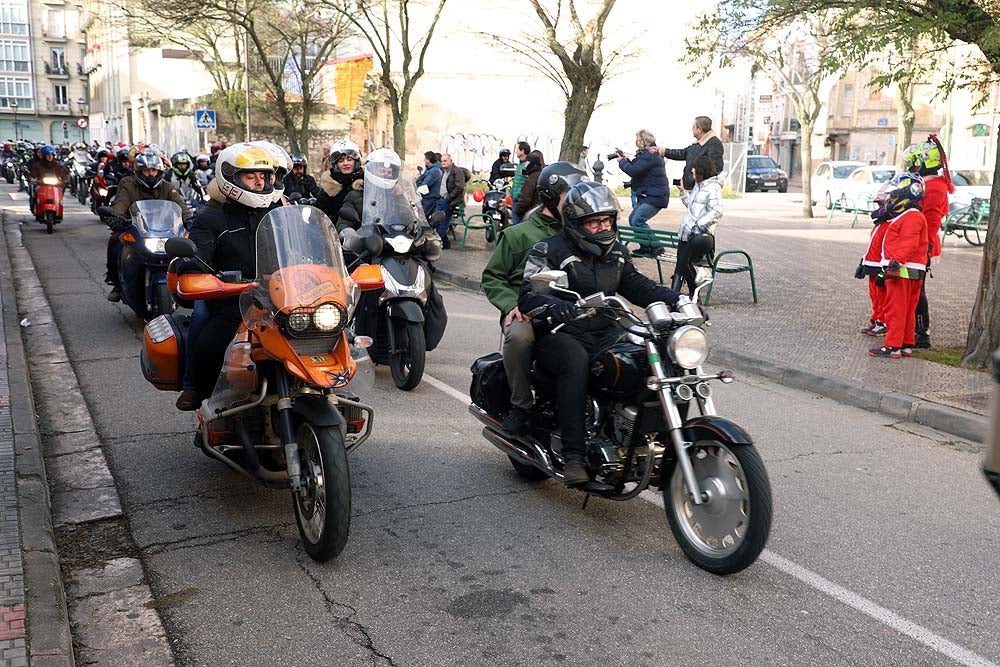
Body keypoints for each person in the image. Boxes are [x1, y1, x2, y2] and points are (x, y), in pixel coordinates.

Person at [518, 182, 681, 484]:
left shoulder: (616, 252)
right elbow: (528, 293)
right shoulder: (550, 249)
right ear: (576, 224)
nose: (602, 227)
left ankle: (655, 443)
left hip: (605, 328)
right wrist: (555, 305)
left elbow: (636, 285)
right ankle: (574, 456)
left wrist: (677, 299)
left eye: (606, 221)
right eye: (594, 222)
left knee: (651, 353)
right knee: (575, 362)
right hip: (562, 331)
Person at [481, 162, 585, 435]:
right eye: (571, 195)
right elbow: (492, 277)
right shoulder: (519, 235)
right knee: (519, 336)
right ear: (551, 197)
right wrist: (511, 305)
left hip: (569, 310)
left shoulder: (582, 234)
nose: (578, 202)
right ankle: (521, 405)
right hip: (526, 309)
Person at [186, 144, 279, 403]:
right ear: (232, 179)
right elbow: (197, 255)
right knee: (210, 344)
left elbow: (307, 247)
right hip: (236, 301)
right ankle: (208, 404)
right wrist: (192, 266)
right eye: (251, 176)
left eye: (264, 176)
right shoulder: (211, 220)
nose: (259, 183)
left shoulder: (279, 214)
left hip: (284, 299)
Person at [105, 151, 191, 303]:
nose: (150, 174)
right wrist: (117, 218)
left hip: (165, 230)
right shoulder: (129, 185)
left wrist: (189, 218)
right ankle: (116, 283)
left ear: (159, 171)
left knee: (189, 246)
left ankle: (189, 282)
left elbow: (180, 205)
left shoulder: (167, 187)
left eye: (153, 170)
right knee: (115, 242)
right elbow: (121, 203)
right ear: (139, 171)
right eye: (146, 170)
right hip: (136, 229)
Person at [868, 173, 928, 359]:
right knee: (908, 310)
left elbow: (908, 243)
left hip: (901, 270)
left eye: (894, 196)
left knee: (896, 309)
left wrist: (895, 263)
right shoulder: (911, 215)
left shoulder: (911, 216)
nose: (891, 200)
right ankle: (905, 344)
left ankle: (892, 346)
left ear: (906, 196)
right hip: (909, 269)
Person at [902, 135, 953, 349]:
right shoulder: (927, 183)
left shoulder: (934, 188)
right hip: (915, 242)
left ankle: (921, 333)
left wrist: (924, 249)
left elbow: (931, 223)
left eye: (915, 162)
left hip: (923, 245)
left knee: (917, 288)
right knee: (911, 286)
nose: (913, 166)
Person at [673, 155, 722, 294]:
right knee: (681, 264)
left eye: (694, 168)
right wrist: (682, 191)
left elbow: (717, 211)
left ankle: (687, 292)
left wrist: (699, 225)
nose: (692, 171)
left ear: (701, 170)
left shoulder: (713, 188)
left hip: (698, 235)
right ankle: (684, 295)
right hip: (686, 232)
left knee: (683, 263)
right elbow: (691, 206)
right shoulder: (698, 186)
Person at [617, 129, 669, 256]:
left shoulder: (651, 154)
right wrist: (625, 159)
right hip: (651, 194)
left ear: (645, 141)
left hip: (655, 196)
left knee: (637, 220)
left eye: (638, 140)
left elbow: (634, 171)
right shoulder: (647, 154)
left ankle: (656, 246)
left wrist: (622, 162)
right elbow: (637, 167)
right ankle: (646, 247)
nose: (636, 142)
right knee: (633, 219)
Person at [654, 116, 725, 191]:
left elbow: (715, 169)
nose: (692, 129)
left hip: (700, 189)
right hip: (692, 188)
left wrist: (695, 181)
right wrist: (663, 151)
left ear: (700, 129)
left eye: (693, 127)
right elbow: (682, 153)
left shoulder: (714, 144)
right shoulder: (697, 144)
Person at [315, 139, 363, 222]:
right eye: (341, 161)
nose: (345, 163)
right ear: (335, 164)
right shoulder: (330, 184)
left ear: (356, 161)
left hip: (367, 230)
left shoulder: (365, 180)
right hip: (337, 231)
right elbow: (319, 213)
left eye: (349, 159)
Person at [430, 153, 465, 248]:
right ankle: (445, 242)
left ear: (451, 161)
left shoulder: (457, 171)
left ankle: (441, 242)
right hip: (440, 198)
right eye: (442, 161)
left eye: (445, 161)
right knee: (436, 220)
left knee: (443, 222)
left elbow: (460, 187)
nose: (443, 163)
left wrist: (449, 197)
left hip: (448, 200)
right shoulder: (443, 171)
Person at [513, 150, 545, 222]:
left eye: (527, 162)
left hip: (531, 214)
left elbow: (525, 198)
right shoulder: (543, 175)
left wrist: (518, 211)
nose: (525, 165)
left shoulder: (532, 178)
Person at [509, 141, 531, 225]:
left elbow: (527, 182)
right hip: (516, 199)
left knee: (518, 225)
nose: (515, 152)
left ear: (522, 151)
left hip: (520, 200)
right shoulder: (520, 165)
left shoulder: (526, 165)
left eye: (517, 149)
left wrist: (518, 194)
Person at [415, 151, 442, 219]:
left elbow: (425, 184)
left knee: (422, 216)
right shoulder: (429, 169)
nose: (424, 160)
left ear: (429, 160)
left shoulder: (435, 171)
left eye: (425, 158)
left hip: (430, 197)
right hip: (426, 197)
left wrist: (418, 181)